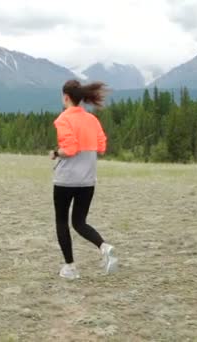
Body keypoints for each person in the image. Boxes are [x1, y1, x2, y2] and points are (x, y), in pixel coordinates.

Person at [50, 79, 117, 280]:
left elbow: (69, 149)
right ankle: (104, 247)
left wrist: (56, 152)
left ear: (66, 97)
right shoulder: (92, 120)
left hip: (65, 181)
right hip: (87, 181)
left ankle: (70, 268)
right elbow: (102, 147)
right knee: (79, 222)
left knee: (62, 222)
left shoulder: (63, 119)